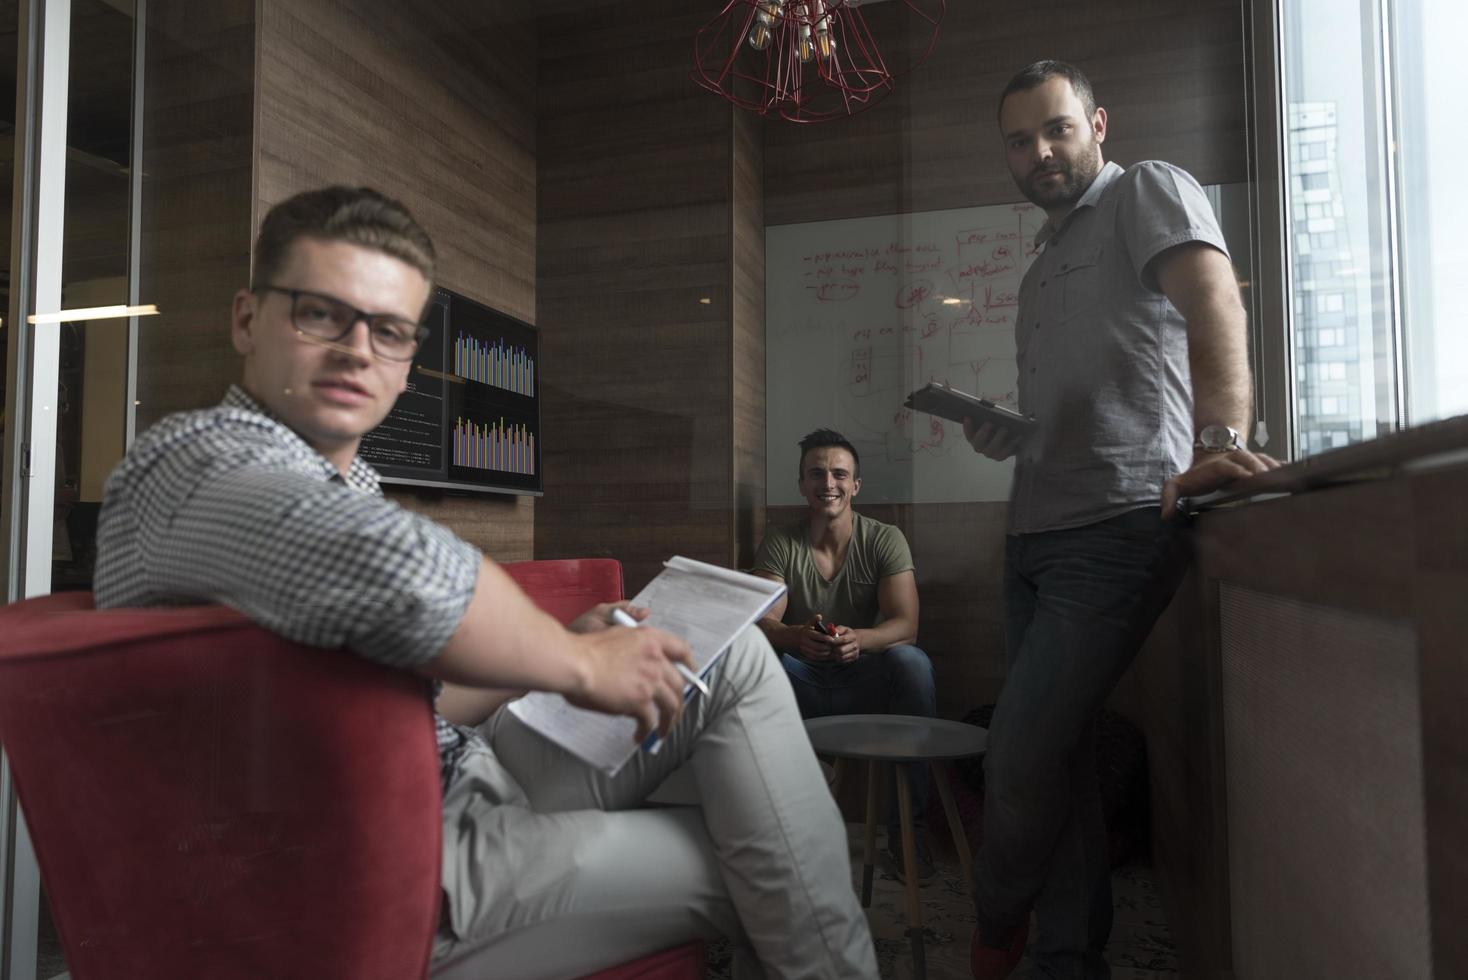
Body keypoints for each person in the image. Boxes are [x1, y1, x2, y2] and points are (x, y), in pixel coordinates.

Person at [92, 186, 878, 980]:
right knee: (765, 858)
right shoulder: (190, 461)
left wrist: (560, 645)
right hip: (387, 855)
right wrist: (575, 664)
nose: (358, 349)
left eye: (390, 331)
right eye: (319, 313)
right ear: (246, 319)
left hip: (455, 770)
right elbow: (400, 567)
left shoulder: (344, 483)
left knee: (733, 662)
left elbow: (397, 701)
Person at [961, 61, 1280, 980]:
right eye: (1019, 140)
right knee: (1052, 755)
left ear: (1097, 123)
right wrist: (1003, 435)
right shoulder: (1037, 267)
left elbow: (1213, 299)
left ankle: (993, 923)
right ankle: (1069, 956)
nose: (1040, 152)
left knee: (1019, 754)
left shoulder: (1147, 188)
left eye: (1056, 128)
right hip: (1032, 534)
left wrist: (1220, 437)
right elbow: (1077, 403)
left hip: (1122, 525)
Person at [750, 428, 937, 883]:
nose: (827, 483)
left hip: (863, 679)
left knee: (912, 663)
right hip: (800, 679)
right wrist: (796, 636)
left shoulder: (884, 538)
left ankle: (908, 832)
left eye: (839, 474)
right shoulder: (780, 541)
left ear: (856, 485)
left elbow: (906, 625)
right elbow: (762, 621)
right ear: (801, 485)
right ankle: (761, 830)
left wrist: (861, 639)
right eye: (817, 474)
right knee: (752, 660)